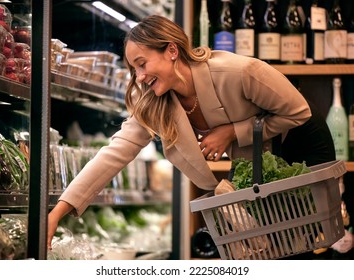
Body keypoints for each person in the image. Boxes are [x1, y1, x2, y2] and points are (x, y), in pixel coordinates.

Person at [47, 15, 335, 254]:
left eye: (142, 63)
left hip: (298, 137)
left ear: (171, 51)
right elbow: (115, 151)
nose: (139, 77)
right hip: (257, 155)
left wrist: (232, 132)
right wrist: (57, 212)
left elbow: (298, 111)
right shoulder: (155, 102)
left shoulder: (240, 71)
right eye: (133, 69)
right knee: (262, 247)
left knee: (305, 239)